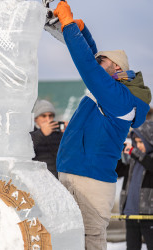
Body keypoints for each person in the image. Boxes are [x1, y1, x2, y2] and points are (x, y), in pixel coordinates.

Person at [53, 1, 151, 249]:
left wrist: (68, 26)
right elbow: (93, 56)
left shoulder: (119, 99)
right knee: (68, 241)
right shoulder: (107, 89)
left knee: (90, 242)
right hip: (75, 175)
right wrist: (82, 30)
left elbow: (88, 65)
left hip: (90, 183)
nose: (97, 64)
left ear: (116, 68)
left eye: (103, 62)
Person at [116, 121, 153, 250]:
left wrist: (134, 152)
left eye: (141, 142)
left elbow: (150, 165)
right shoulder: (133, 160)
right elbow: (119, 171)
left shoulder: (146, 159)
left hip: (148, 214)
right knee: (132, 247)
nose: (138, 146)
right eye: (136, 142)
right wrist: (116, 153)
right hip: (130, 213)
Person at [30, 99, 66, 179]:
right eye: (44, 116)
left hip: (59, 178)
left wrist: (69, 133)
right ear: (35, 119)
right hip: (41, 180)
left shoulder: (58, 133)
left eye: (51, 116)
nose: (48, 119)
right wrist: (41, 133)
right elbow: (25, 148)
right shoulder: (31, 133)